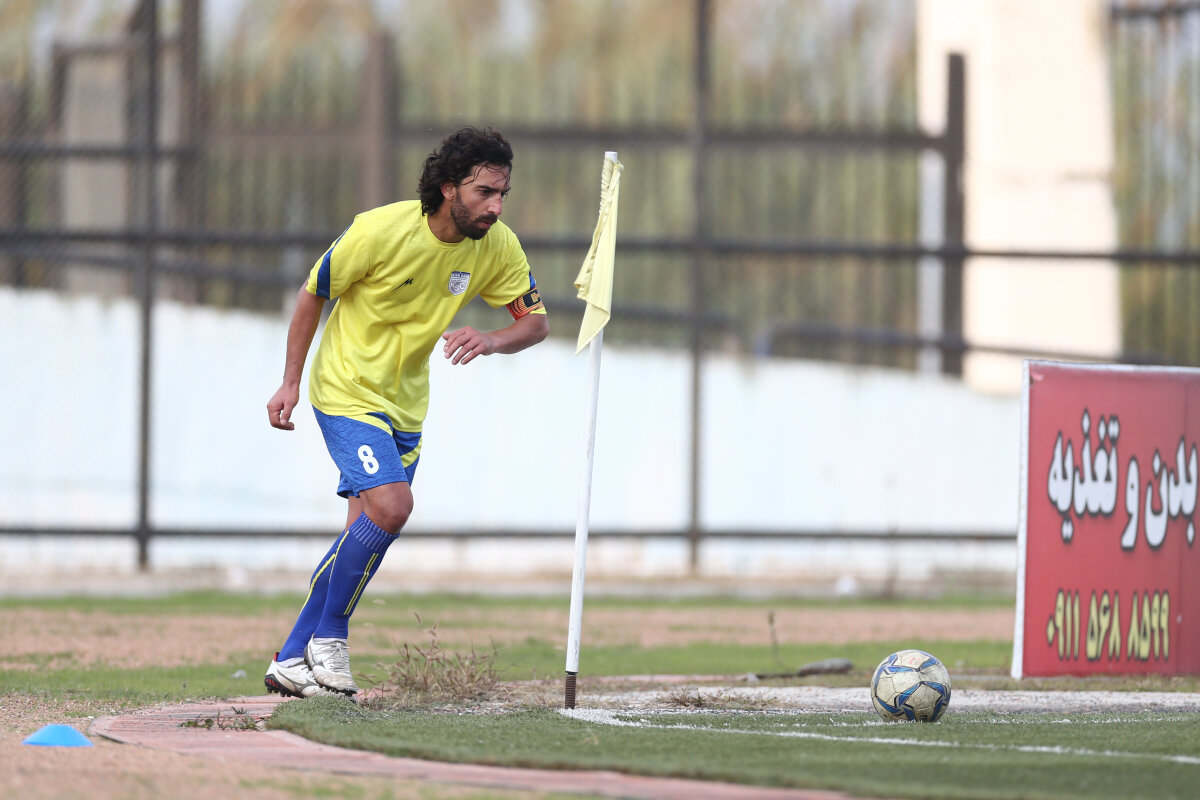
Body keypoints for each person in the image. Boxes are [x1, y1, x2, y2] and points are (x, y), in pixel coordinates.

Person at [263, 126, 548, 698]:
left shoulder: (497, 246)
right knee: (393, 507)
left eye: (502, 194)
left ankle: (291, 659)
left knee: (362, 535)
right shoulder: (379, 230)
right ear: (449, 188)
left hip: (406, 406)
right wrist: (290, 381)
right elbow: (313, 292)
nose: (495, 206)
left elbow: (535, 323)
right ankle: (331, 638)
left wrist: (491, 339)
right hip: (346, 391)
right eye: (484, 192)